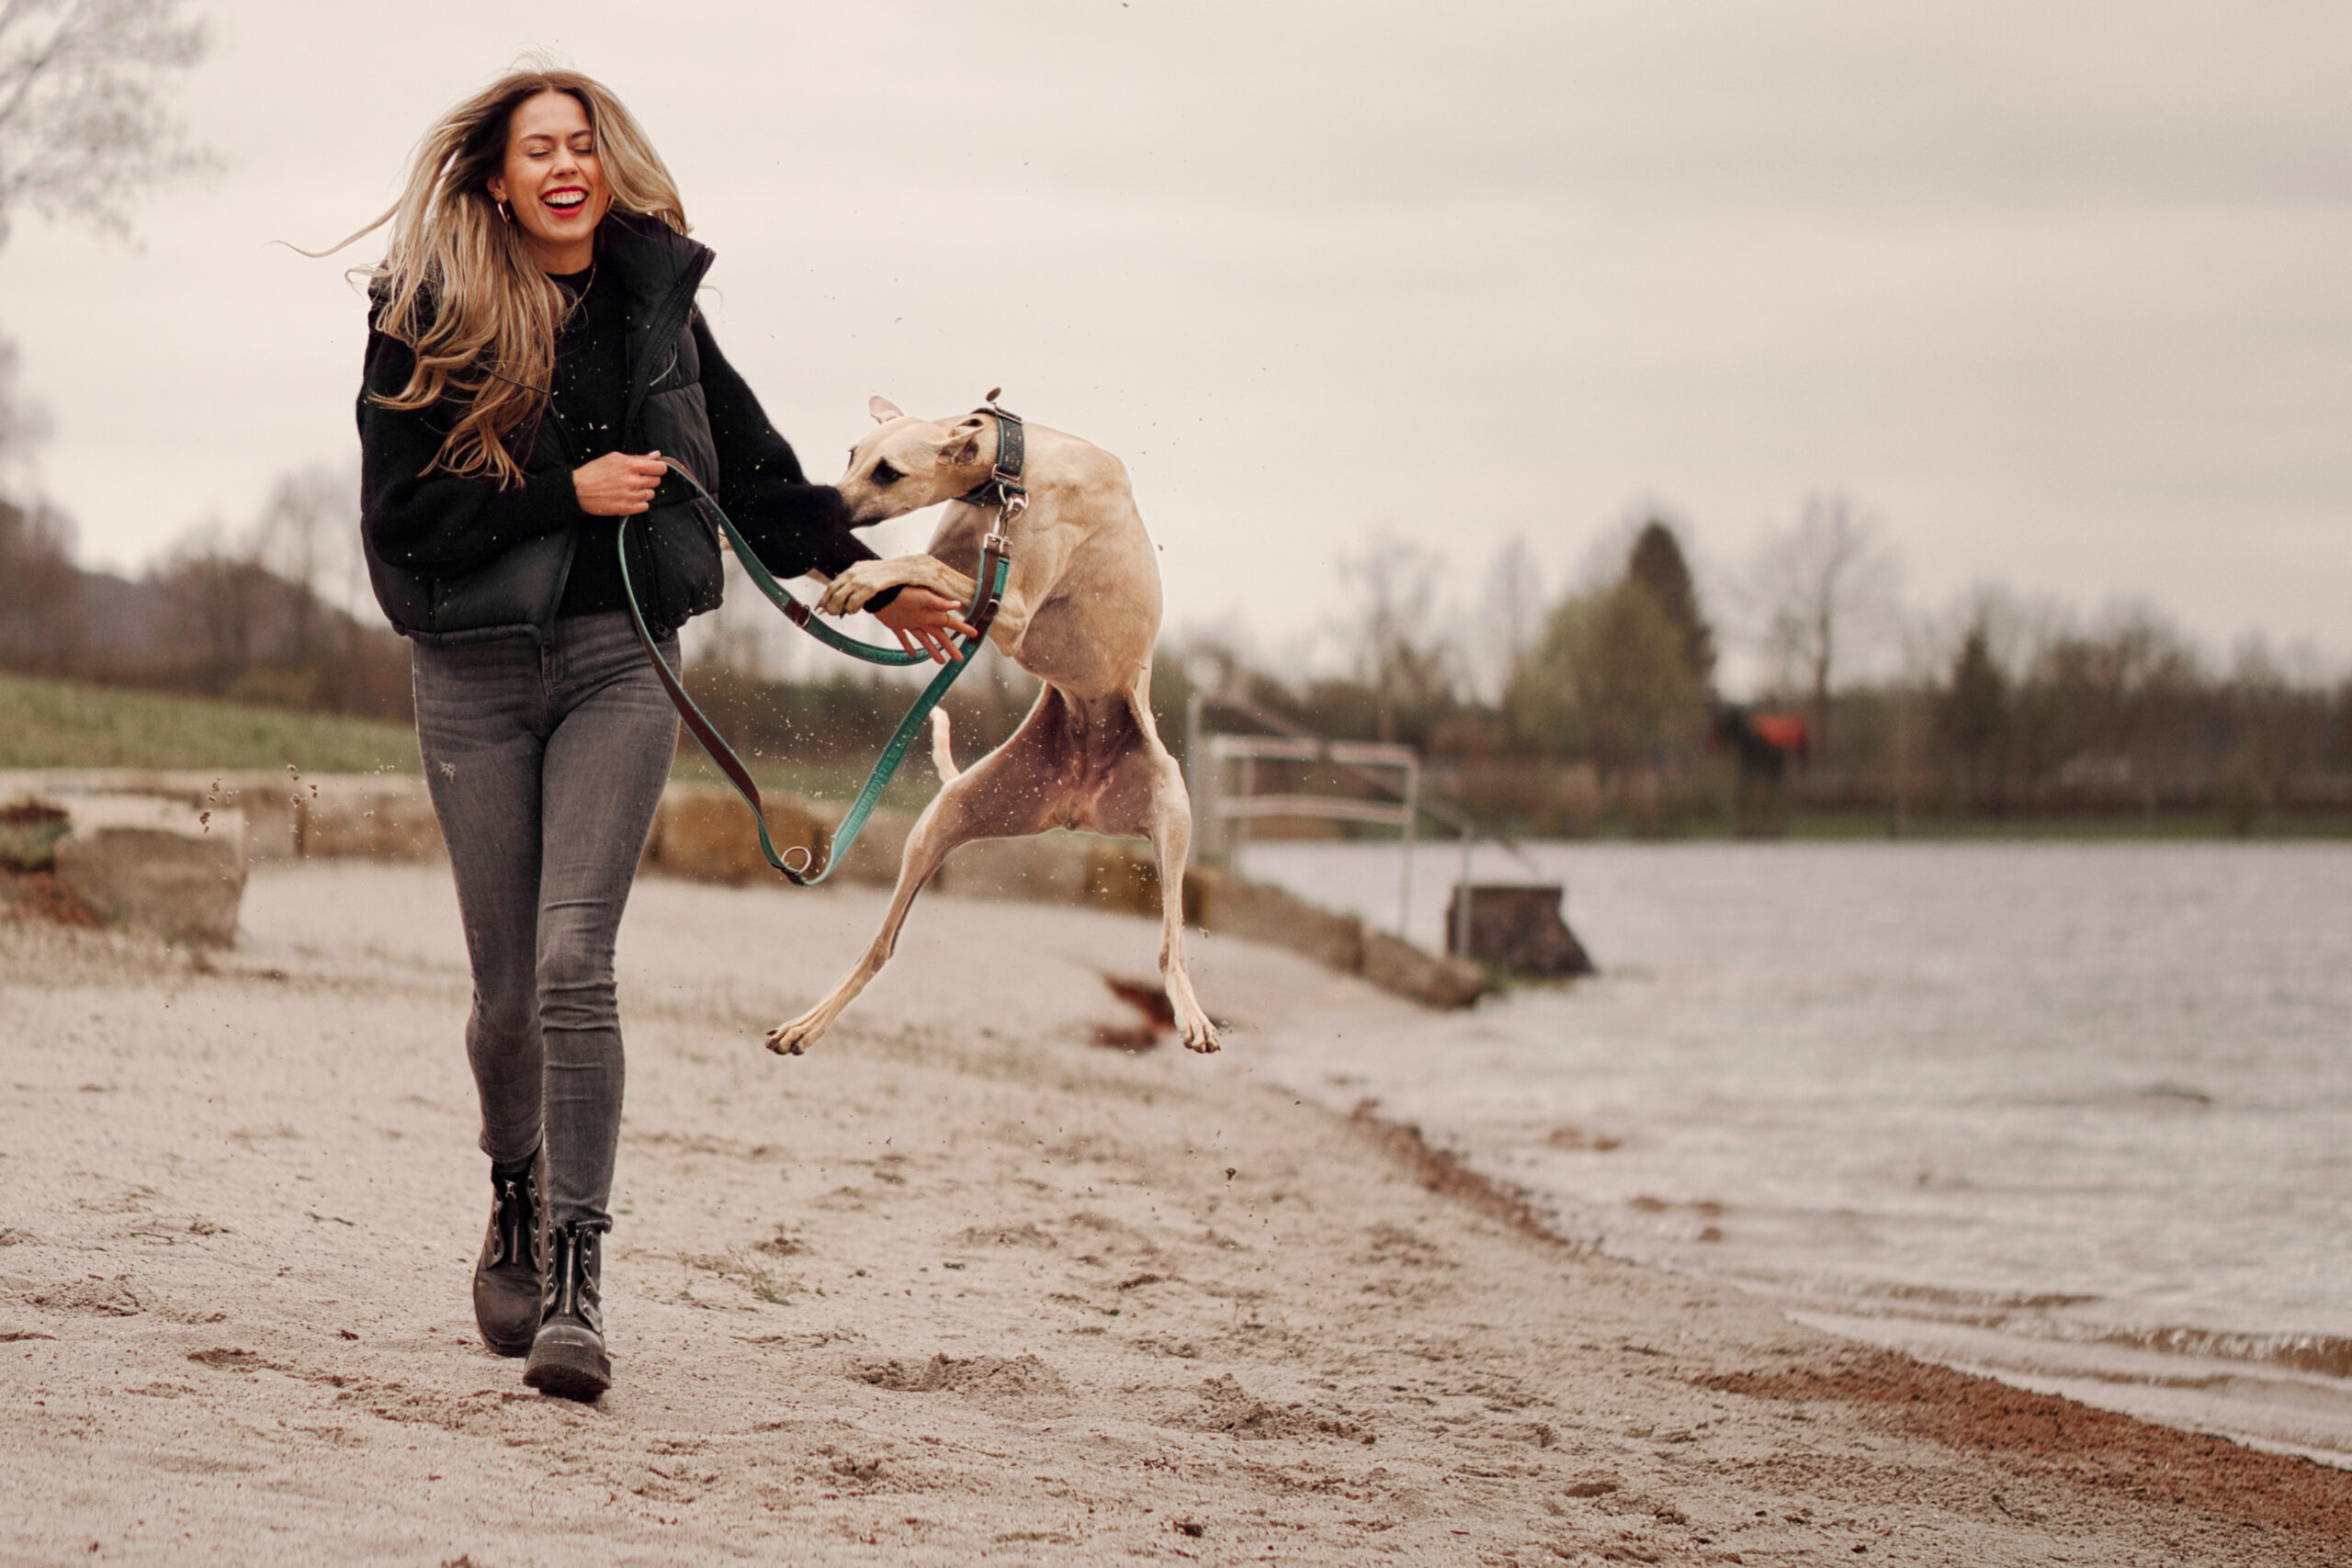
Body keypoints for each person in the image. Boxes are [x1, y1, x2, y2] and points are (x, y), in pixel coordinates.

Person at [347, 68, 972, 1401]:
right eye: (539, 150)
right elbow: (399, 522)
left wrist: (871, 573)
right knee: (507, 996)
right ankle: (513, 1189)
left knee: (578, 963)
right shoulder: (427, 310)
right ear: (499, 178)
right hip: (468, 676)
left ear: (604, 162)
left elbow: (756, 479)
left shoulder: (655, 304)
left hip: (616, 664)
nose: (566, 167)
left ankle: (576, 1272)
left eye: (583, 145)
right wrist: (560, 495)